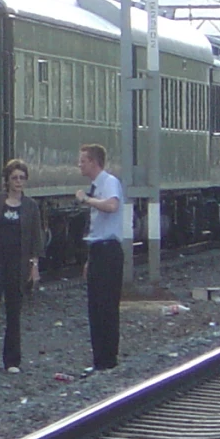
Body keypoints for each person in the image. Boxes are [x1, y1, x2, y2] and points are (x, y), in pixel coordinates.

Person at [0, 159, 45, 374]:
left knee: (14, 313)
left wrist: (34, 266)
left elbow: (36, 238)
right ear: (7, 180)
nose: (18, 182)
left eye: (22, 178)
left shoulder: (31, 206)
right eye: (14, 178)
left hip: (19, 265)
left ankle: (12, 360)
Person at [78, 143, 126, 370]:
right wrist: (89, 259)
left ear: (95, 162)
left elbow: (112, 205)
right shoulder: (97, 186)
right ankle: (99, 360)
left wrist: (86, 200)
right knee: (95, 307)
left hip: (109, 251)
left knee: (106, 306)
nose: (80, 165)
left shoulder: (109, 183)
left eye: (83, 161)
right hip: (98, 250)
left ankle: (109, 360)